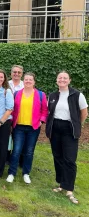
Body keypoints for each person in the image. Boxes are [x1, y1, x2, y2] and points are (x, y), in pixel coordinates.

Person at [46, 71, 88, 204]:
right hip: (55, 128)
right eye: (60, 78)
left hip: (69, 129)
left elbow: (84, 112)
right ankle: (61, 184)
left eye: (65, 78)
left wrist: (77, 125)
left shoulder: (77, 95)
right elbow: (50, 112)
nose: (62, 80)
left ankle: (69, 188)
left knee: (69, 159)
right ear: (56, 80)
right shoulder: (52, 95)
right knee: (58, 156)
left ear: (69, 80)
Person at [6, 72, 48, 184]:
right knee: (16, 151)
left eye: (30, 79)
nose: (28, 81)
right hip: (18, 127)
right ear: (23, 81)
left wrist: (41, 121)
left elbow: (44, 110)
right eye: (26, 79)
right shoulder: (17, 94)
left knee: (29, 152)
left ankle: (26, 173)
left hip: (33, 128)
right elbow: (12, 109)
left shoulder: (40, 94)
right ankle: (11, 173)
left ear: (34, 82)